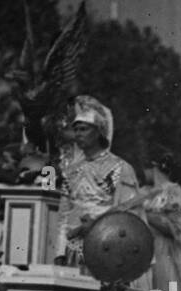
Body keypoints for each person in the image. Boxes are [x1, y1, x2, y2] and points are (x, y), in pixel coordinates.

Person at [58, 95, 141, 266]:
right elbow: (63, 214)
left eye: (84, 129)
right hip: (73, 250)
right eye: (77, 130)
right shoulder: (70, 170)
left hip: (107, 248)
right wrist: (59, 252)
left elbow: (130, 212)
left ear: (98, 132)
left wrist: (99, 225)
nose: (78, 134)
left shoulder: (120, 167)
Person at [139, 153, 181, 291]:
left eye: (146, 167)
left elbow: (175, 228)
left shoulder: (173, 191)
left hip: (163, 251)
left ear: (155, 167)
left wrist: (144, 215)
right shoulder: (144, 191)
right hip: (144, 248)